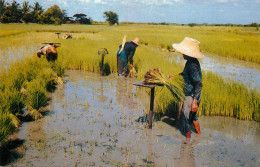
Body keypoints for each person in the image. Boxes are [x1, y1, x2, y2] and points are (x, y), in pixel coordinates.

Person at [172, 37, 205, 139]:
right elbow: (185, 75)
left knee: (186, 118)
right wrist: (176, 77)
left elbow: (198, 83)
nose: (182, 54)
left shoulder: (192, 65)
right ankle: (199, 136)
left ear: (188, 53)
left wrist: (194, 101)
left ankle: (187, 143)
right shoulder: (190, 62)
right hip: (192, 94)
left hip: (191, 95)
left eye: (183, 52)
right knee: (193, 116)